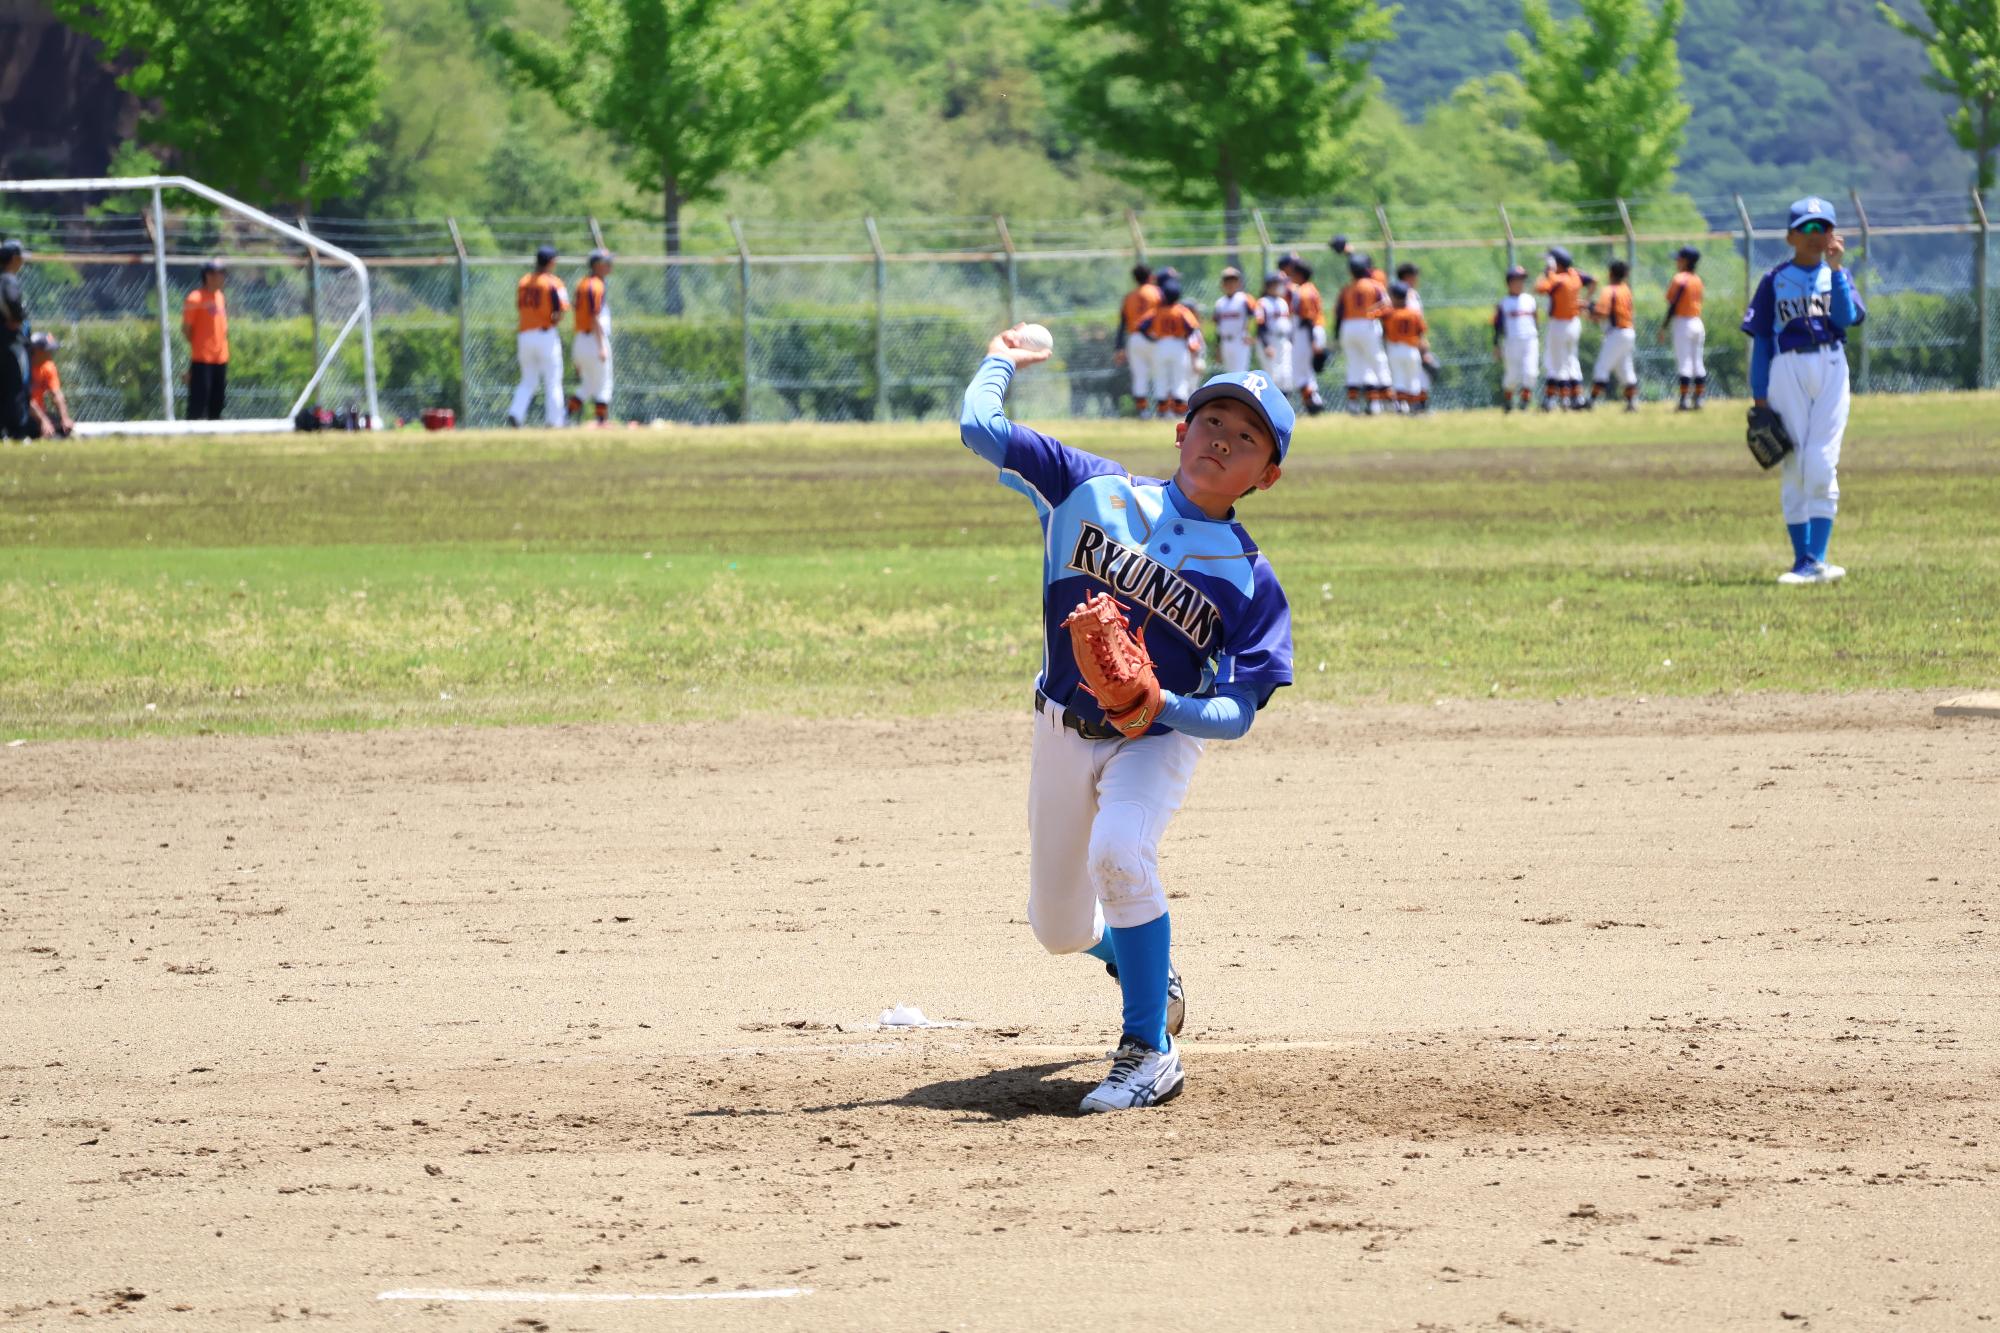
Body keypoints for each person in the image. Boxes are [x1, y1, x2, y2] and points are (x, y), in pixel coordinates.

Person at [958, 325, 1293, 1113]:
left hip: (1158, 740)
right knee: (1059, 926)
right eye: (1213, 421)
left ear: (1267, 476)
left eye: (1247, 439)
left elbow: (1238, 710)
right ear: (1181, 429)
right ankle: (1143, 962)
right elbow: (980, 426)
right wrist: (1001, 358)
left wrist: (1163, 704)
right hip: (1060, 725)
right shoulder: (1089, 489)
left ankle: (1149, 1048)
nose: (1223, 441)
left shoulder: (1250, 578)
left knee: (1120, 852)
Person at [1742, 196, 1865, 585]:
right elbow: (1762, 340)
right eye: (1807, 228)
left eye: (1823, 227)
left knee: (1822, 460)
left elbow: (1846, 318)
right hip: (1787, 367)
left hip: (1831, 364)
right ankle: (1804, 562)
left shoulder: (1837, 275)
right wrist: (1759, 395)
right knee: (1794, 462)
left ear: (1833, 235)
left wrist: (1837, 270)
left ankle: (1817, 560)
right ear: (1790, 237)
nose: (1816, 234)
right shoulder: (1774, 280)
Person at [508, 244, 569, 428]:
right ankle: (554, 422)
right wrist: (555, 319)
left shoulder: (524, 281)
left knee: (528, 380)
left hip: (524, 334)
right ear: (551, 262)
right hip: (545, 334)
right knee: (553, 381)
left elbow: (520, 306)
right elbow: (561, 309)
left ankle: (516, 413)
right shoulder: (553, 282)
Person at [1135, 268, 1204, 417]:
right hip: (1178, 345)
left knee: (1161, 378)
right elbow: (1192, 328)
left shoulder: (1157, 312)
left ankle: (1163, 411)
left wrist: (1152, 338)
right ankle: (1179, 411)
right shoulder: (1181, 310)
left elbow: (1141, 327)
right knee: (1179, 379)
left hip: (1160, 345)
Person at [1336, 252, 1390, 414]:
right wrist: (1376, 313)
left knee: (1354, 364)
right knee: (1377, 361)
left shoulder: (1347, 288)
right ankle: (1390, 402)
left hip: (1348, 326)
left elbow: (1339, 312)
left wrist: (1336, 334)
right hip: (1367, 324)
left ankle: (1353, 405)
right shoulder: (1374, 285)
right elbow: (1387, 305)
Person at [1535, 247, 1586, 410]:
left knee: (1557, 362)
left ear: (1557, 263)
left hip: (1559, 324)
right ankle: (1577, 397)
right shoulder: (1574, 276)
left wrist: (1548, 271)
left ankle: (1562, 399)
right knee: (1571, 359)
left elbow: (1539, 288)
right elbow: (1592, 279)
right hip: (1574, 323)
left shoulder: (1556, 279)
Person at [567, 249, 614, 427]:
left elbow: (577, 308)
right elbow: (595, 316)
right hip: (595, 339)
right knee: (604, 383)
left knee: (588, 385)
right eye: (606, 263)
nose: (610, 266)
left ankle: (564, 415)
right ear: (597, 265)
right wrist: (601, 346)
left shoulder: (582, 283)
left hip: (580, 339)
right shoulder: (597, 285)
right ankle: (602, 422)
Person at [180, 258, 230, 421]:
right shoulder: (195, 298)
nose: (222, 277)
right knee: (198, 404)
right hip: (202, 359)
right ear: (208, 275)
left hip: (220, 358)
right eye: (219, 273)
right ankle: (192, 432)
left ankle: (215, 430)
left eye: (223, 273)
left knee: (218, 402)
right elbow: (187, 329)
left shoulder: (220, 297)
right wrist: (200, 346)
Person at [1587, 259, 1639, 412]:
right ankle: (1632, 403)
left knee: (1602, 367)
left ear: (1610, 273)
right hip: (1628, 332)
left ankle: (1591, 402)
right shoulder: (1626, 289)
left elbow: (1603, 312)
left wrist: (1589, 308)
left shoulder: (1609, 290)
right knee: (1625, 369)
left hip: (1616, 333)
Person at [1280, 253, 1327, 415]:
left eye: (1293, 273)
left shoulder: (1304, 292)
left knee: (1301, 369)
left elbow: (1307, 320)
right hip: (1311, 331)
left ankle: (1313, 404)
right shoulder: (1309, 288)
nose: (1291, 276)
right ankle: (1314, 402)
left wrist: (1312, 342)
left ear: (1299, 275)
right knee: (1306, 370)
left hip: (1307, 333)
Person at [1662, 246, 1707, 410]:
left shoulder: (1679, 278)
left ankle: (1684, 400)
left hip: (1683, 323)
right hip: (1697, 322)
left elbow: (1672, 305)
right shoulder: (1697, 279)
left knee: (1684, 363)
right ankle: (1699, 399)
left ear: (1686, 261)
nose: (1677, 262)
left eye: (1679, 259)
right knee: (1698, 362)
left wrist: (1664, 326)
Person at [1114, 265, 1162, 416]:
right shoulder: (1157, 292)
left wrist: (1119, 347)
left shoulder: (1129, 297)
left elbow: (1122, 323)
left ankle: (1143, 411)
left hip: (1134, 338)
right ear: (1149, 276)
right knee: (1159, 374)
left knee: (1139, 376)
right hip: (1155, 337)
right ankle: (1163, 410)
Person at [1493, 264, 1540, 413]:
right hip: (1511, 341)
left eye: (1522, 280)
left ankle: (1524, 403)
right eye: (1516, 280)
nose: (1520, 284)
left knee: (1531, 372)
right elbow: (1497, 326)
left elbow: (1536, 320)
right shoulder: (1504, 303)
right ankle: (1508, 402)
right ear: (1509, 283)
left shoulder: (1530, 300)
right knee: (1512, 376)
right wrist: (1496, 345)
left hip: (1530, 340)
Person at [1383, 282, 1430, 414]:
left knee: (1398, 378)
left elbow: (1383, 330)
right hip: (1411, 350)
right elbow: (1421, 333)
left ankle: (1400, 406)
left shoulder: (1390, 314)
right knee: (1413, 378)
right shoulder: (1414, 313)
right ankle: (1415, 406)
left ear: (1394, 297)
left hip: (1395, 349)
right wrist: (1424, 351)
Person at [0, 239, 28, 440]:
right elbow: (11, 299)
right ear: (14, 258)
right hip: (9, 339)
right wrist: (17, 318)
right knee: (15, 384)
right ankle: (17, 431)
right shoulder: (8, 279)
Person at [1254, 269, 1295, 392]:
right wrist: (1266, 345)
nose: (1281, 286)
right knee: (1272, 376)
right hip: (1269, 340)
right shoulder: (1262, 302)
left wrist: (1291, 341)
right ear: (1269, 285)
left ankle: (1284, 402)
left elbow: (1288, 324)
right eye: (1278, 283)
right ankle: (1270, 403)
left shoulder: (1283, 302)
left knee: (1286, 375)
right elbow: (1260, 326)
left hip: (1284, 340)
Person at [1211, 266, 1257, 375]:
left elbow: (1255, 317)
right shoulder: (1219, 303)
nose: (1230, 284)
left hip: (1240, 340)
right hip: (1225, 342)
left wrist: (1252, 335)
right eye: (1227, 281)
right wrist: (1218, 348)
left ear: (1239, 283)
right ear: (1222, 284)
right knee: (1229, 374)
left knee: (1240, 373)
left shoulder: (1245, 299)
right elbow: (1218, 327)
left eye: (1233, 280)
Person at [28, 333, 72, 438]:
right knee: (34, 428)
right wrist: (43, 420)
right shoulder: (24, 367)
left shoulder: (48, 367)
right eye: (48, 350)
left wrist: (65, 418)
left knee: (63, 429)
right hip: (23, 412)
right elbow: (26, 400)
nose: (51, 353)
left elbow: (57, 394)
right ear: (37, 351)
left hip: (38, 412)